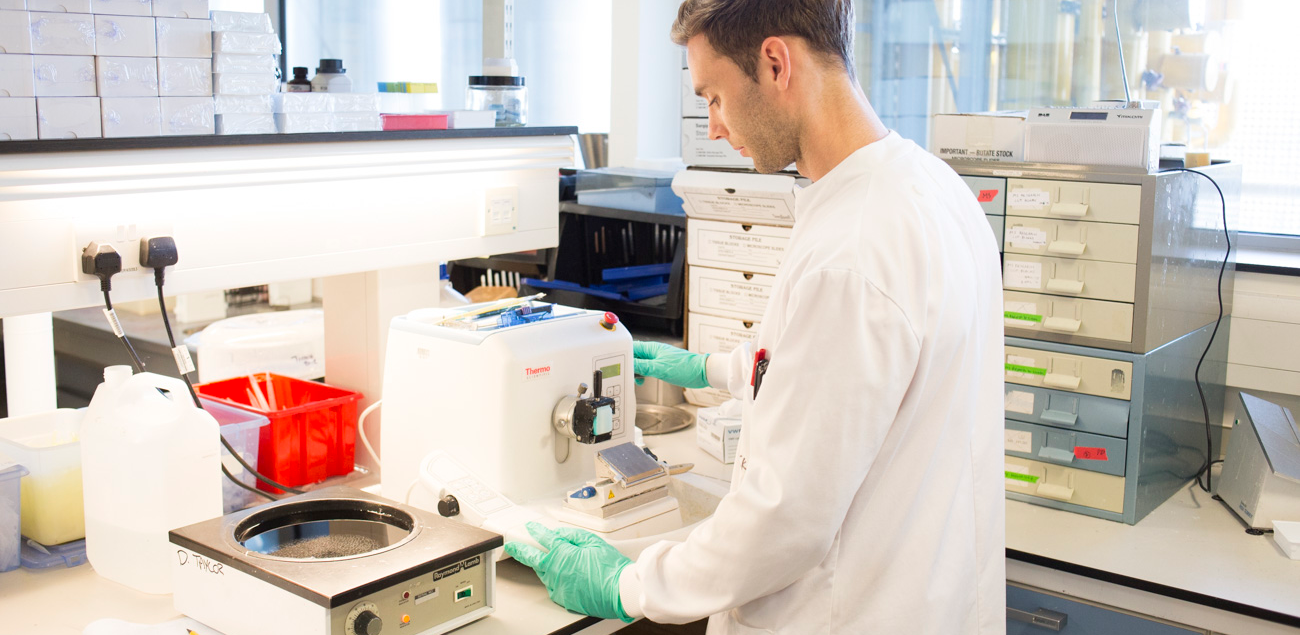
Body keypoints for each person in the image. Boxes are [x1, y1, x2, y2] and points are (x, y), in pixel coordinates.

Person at [504, 0, 1006, 632]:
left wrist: (628, 586)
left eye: (714, 96)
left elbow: (784, 521)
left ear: (774, 63)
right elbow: (855, 374)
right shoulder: (932, 188)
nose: (713, 127)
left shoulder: (852, 251)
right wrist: (713, 368)